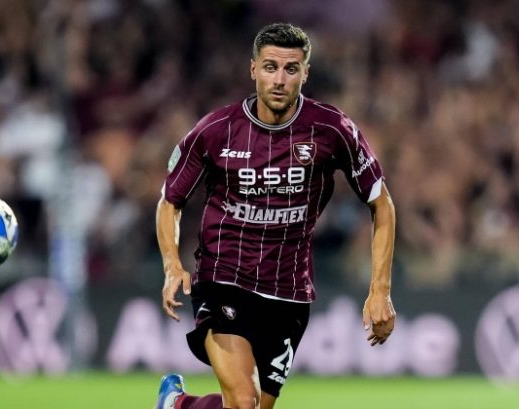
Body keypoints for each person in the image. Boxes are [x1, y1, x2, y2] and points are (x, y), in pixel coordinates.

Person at [155, 23, 396, 409]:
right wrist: (172, 265)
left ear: (305, 73)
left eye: (290, 69)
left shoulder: (332, 129)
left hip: (289, 294)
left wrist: (380, 290)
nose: (280, 79)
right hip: (224, 278)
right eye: (270, 67)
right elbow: (170, 201)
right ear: (253, 69)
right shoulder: (216, 131)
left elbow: (381, 204)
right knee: (245, 402)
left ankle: (177, 404)